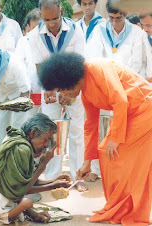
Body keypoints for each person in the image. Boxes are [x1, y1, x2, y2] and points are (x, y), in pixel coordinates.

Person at [38, 52, 152, 225]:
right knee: (104, 152)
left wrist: (116, 137)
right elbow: (90, 127)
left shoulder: (97, 67)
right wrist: (87, 163)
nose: (63, 95)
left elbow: (120, 100)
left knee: (118, 153)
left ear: (70, 79)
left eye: (62, 89)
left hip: (146, 108)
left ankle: (129, 210)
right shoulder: (85, 94)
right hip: (131, 114)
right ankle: (116, 206)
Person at [28, 0, 86, 192]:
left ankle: (79, 176)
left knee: (77, 130)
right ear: (41, 16)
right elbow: (39, 65)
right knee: (51, 133)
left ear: (61, 11)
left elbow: (79, 64)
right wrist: (50, 88)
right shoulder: (35, 35)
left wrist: (68, 92)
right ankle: (53, 176)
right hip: (50, 88)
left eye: (55, 18)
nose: (52, 24)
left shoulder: (75, 30)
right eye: (47, 20)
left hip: (72, 86)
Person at [0, 113, 71, 225]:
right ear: (33, 133)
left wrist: (54, 182)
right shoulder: (22, 149)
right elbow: (21, 191)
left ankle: (25, 213)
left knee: (24, 202)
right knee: (26, 202)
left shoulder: (20, 139)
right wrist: (43, 165)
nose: (46, 145)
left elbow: (26, 180)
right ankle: (0, 218)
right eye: (45, 140)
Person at [85, 0, 144, 74]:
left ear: (125, 14)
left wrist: (124, 77)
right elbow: (94, 57)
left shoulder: (135, 31)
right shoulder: (99, 30)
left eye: (118, 18)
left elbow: (137, 62)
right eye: (111, 18)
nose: (114, 22)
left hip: (128, 78)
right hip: (106, 77)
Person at [15, 9, 42, 113]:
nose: (37, 31)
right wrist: (26, 86)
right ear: (29, 27)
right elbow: (19, 66)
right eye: (34, 28)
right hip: (30, 90)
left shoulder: (49, 40)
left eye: (40, 27)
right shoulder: (23, 42)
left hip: (48, 91)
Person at [140, 13, 152, 82]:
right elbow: (143, 62)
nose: (145, 29)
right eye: (143, 25)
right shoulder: (144, 35)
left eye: (148, 25)